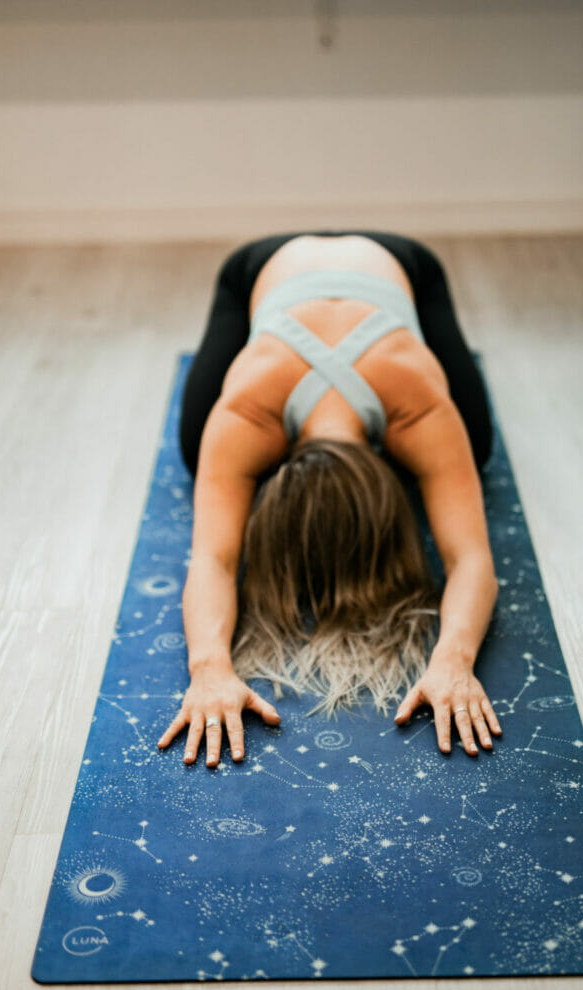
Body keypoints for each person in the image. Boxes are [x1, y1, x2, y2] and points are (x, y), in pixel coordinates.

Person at [157, 230, 503, 770]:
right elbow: (213, 560)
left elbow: (473, 560)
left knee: (476, 445)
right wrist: (209, 668)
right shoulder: (246, 411)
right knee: (195, 447)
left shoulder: (419, 406)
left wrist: (454, 660)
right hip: (263, 271)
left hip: (399, 266)